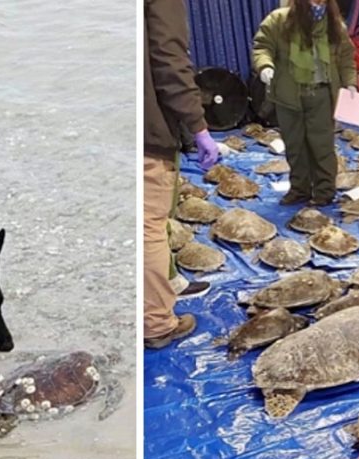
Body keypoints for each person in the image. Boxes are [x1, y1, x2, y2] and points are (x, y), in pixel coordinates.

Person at [143, 0, 219, 349]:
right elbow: (170, 59)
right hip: (147, 131)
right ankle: (156, 322)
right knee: (149, 228)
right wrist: (197, 125)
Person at [253, 0, 357, 206]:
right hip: (288, 95)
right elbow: (262, 47)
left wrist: (350, 83)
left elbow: (346, 58)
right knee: (295, 146)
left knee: (322, 146)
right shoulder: (279, 20)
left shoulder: (335, 26)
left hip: (321, 95)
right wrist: (264, 66)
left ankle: (324, 191)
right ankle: (299, 189)